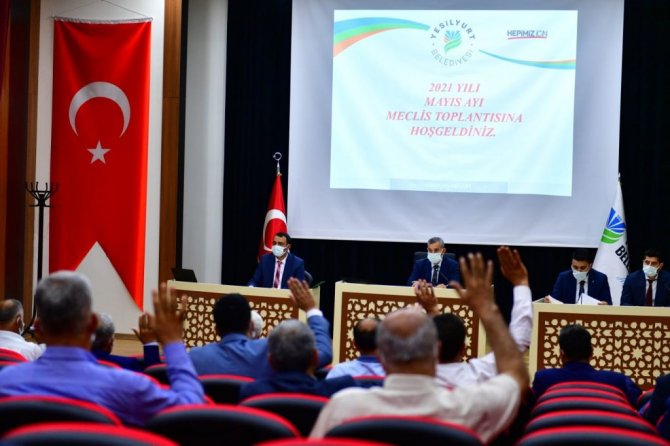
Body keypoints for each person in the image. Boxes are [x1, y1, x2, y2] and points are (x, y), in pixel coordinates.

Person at [310, 253, 529, 443]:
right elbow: (516, 373)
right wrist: (488, 310)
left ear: (381, 356)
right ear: (435, 351)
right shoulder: (473, 405)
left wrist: (431, 312)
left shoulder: (344, 407)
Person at [0, 271, 205, 426]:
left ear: (38, 330)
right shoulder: (129, 387)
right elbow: (191, 413)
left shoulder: (5, 383)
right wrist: (173, 342)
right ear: (92, 324)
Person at [416, 246, 532, 387]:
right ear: (463, 349)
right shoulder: (478, 375)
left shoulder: (410, 377)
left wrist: (431, 311)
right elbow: (516, 346)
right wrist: (521, 283)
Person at [189, 278, 332, 377]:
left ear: (216, 330)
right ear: (251, 325)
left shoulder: (194, 357)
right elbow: (323, 354)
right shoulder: (270, 351)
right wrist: (312, 310)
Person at [239, 319, 355, 400]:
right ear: (315, 358)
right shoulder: (341, 390)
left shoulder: (251, 392)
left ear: (271, 361)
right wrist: (312, 311)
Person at [532, 323, 641, 405]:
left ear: (562, 353)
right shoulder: (618, 381)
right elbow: (639, 402)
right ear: (591, 352)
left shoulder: (544, 378)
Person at [91, 312, 161, 371]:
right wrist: (150, 343)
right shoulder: (128, 364)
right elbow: (154, 374)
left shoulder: (84, 362)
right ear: (110, 342)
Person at [547, 249, 611, 305]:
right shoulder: (563, 278)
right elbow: (555, 300)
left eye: (582, 268)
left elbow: (608, 303)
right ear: (571, 265)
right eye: (575, 267)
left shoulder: (600, 278)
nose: (579, 270)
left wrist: (605, 305)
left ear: (590, 266)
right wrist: (549, 301)